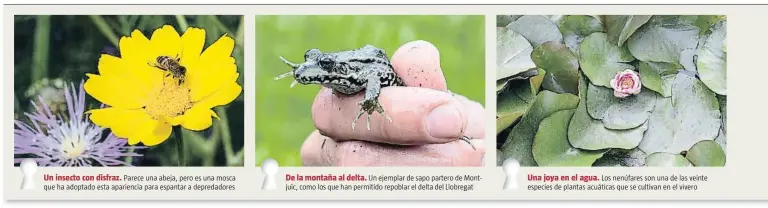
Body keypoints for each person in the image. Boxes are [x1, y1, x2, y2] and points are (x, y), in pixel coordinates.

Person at [300, 40, 486, 166]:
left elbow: (372, 75)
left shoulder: (356, 71)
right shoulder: (336, 84)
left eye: (324, 63)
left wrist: (370, 99)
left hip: (388, 75)